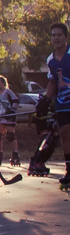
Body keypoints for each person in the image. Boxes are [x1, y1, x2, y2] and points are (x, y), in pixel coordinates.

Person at [45, 22, 70, 190]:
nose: (56, 38)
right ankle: (69, 170)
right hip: (62, 102)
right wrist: (45, 100)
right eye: (53, 35)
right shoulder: (51, 59)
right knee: (64, 133)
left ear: (65, 37)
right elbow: (53, 81)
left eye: (59, 35)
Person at [0, 75, 21, 166]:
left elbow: (16, 101)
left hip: (9, 117)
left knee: (10, 136)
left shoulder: (8, 92)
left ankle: (15, 155)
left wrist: (11, 110)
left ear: (3, 83)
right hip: (0, 118)